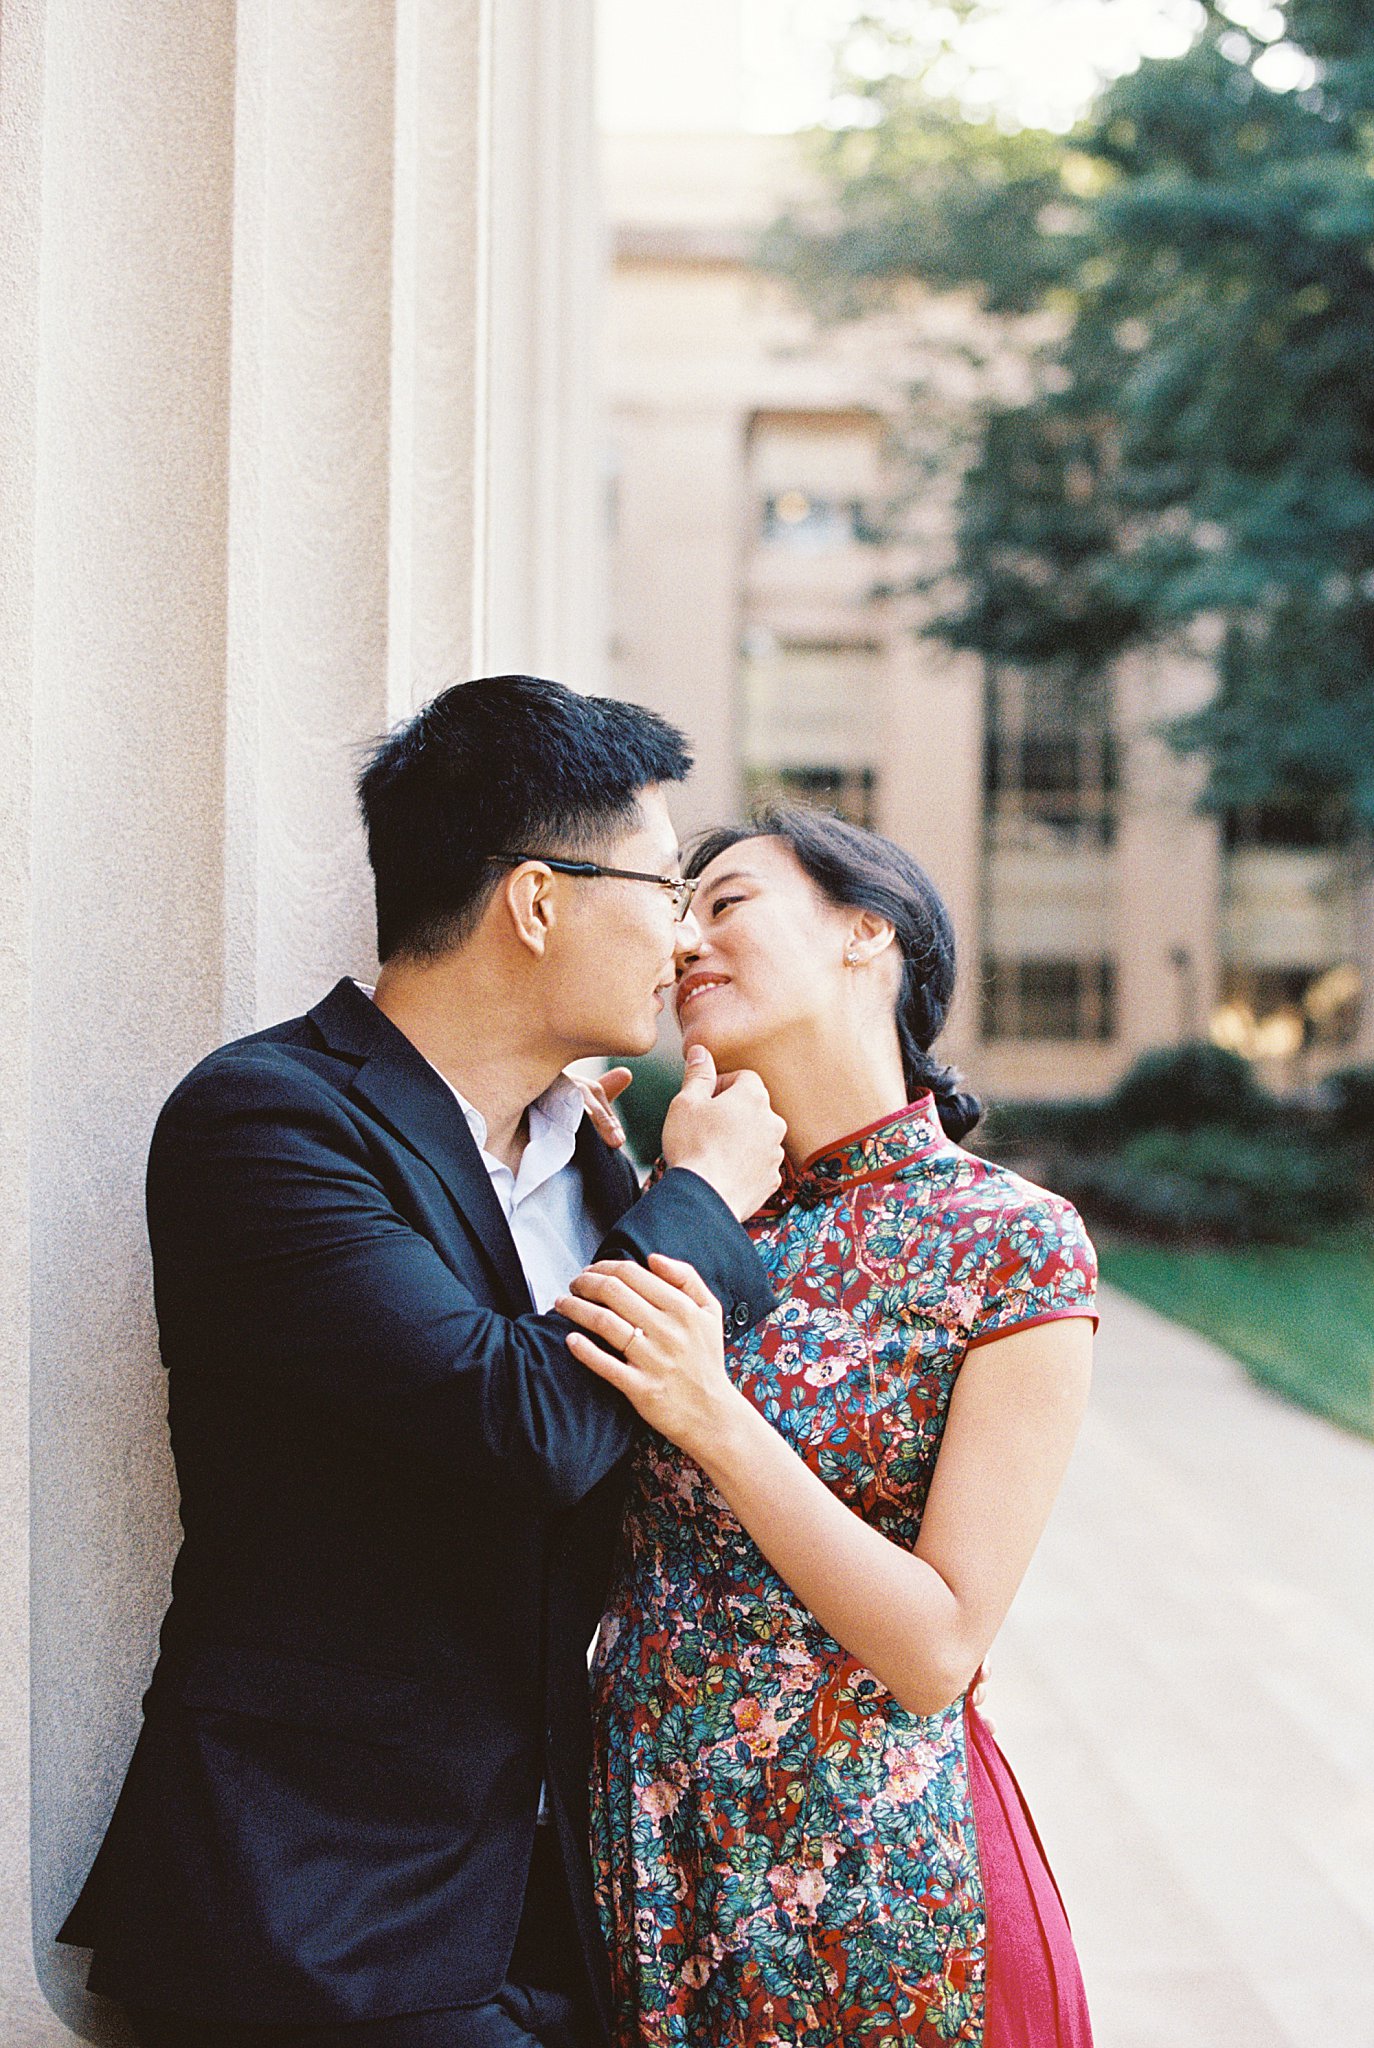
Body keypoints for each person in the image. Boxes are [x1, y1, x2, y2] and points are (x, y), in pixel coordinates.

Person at [57, 676, 787, 2048]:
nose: (681, 934)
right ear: (535, 900)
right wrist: (701, 1198)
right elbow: (522, 1426)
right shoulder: (267, 1119)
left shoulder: (585, 1155)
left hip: (544, 1905)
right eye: (663, 884)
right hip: (317, 1906)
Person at [558, 807, 1099, 2048]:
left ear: (871, 930)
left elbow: (940, 1646)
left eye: (728, 901)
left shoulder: (1010, 1240)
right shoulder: (681, 1211)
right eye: (679, 908)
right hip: (655, 1859)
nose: (685, 934)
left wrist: (716, 1416)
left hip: (882, 1885)